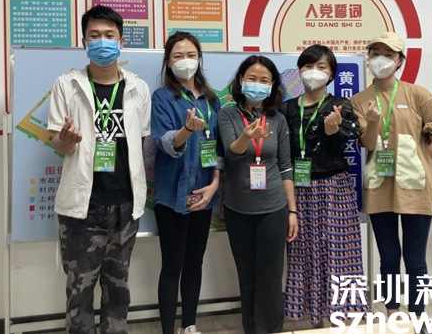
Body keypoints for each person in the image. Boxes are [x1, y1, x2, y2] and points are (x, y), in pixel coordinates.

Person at [47, 5, 151, 334]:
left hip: (125, 204)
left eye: (109, 35)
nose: (102, 41)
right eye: (94, 35)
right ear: (84, 42)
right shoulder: (67, 84)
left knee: (118, 287)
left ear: (121, 42)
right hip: (83, 206)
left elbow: (141, 141)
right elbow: (59, 144)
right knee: (79, 288)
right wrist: (66, 140)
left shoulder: (138, 88)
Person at [350, 32, 432, 330]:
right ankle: (393, 313)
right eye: (375, 53)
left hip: (416, 189)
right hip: (380, 189)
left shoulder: (419, 95)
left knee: (416, 259)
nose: (380, 60)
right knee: (389, 257)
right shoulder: (359, 100)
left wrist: (419, 163)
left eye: (388, 55)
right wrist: (373, 122)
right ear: (368, 59)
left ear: (400, 61)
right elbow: (368, 144)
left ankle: (418, 315)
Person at [280, 45, 367, 327]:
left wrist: (332, 131)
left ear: (331, 74)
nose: (314, 72)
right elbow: (284, 154)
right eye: (308, 66)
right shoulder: (286, 108)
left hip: (334, 189)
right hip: (299, 189)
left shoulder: (340, 105)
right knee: (303, 254)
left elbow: (341, 146)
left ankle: (342, 318)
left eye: (321, 67)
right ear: (299, 70)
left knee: (339, 253)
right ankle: (313, 319)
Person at [217, 55, 298, 334]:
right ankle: (251, 329)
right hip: (238, 207)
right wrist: (246, 137)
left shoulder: (278, 119)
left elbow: (286, 166)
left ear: (272, 84)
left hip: (273, 208)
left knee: (271, 276)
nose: (257, 84)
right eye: (252, 78)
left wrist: (292, 211)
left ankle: (271, 330)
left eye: (264, 80)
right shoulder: (227, 115)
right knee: (247, 275)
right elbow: (232, 154)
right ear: (241, 80)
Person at [150, 32, 224, 334]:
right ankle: (169, 330)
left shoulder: (212, 99)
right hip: (172, 195)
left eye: (191, 55)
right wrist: (186, 130)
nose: (185, 61)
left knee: (195, 262)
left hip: (204, 193)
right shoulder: (162, 97)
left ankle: (190, 325)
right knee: (172, 265)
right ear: (168, 62)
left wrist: (215, 185)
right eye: (178, 56)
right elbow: (165, 141)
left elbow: (218, 148)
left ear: (199, 58)